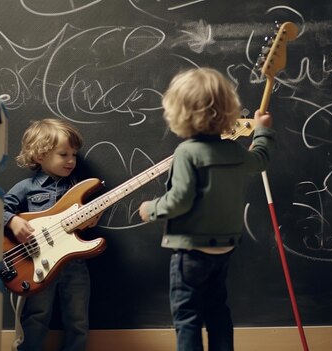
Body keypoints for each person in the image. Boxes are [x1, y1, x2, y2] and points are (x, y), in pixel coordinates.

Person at [138, 67, 275, 351]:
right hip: (224, 248)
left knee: (187, 317)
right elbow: (260, 160)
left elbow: (179, 200)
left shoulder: (187, 153)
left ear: (179, 113)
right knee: (217, 312)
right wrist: (262, 131)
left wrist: (151, 209)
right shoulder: (235, 151)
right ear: (228, 110)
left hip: (191, 252)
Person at [3, 118, 90, 351]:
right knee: (36, 316)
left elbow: (86, 224)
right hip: (37, 264)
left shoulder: (79, 188)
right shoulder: (26, 187)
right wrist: (12, 221)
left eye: (74, 154)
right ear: (40, 155)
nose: (71, 160)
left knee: (78, 319)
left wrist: (91, 218)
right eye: (64, 154)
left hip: (74, 264)